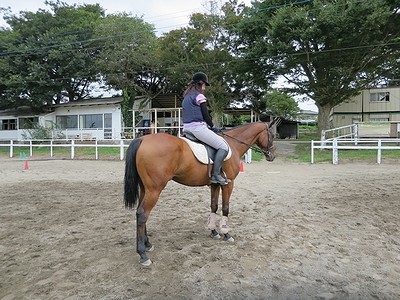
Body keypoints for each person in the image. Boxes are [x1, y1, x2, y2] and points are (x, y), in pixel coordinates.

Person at [182, 71, 230, 185]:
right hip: (198, 128)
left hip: (186, 128)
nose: (204, 88)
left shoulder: (186, 97)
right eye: (204, 85)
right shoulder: (199, 96)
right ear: (201, 83)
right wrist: (213, 126)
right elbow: (205, 115)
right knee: (223, 146)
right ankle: (216, 175)